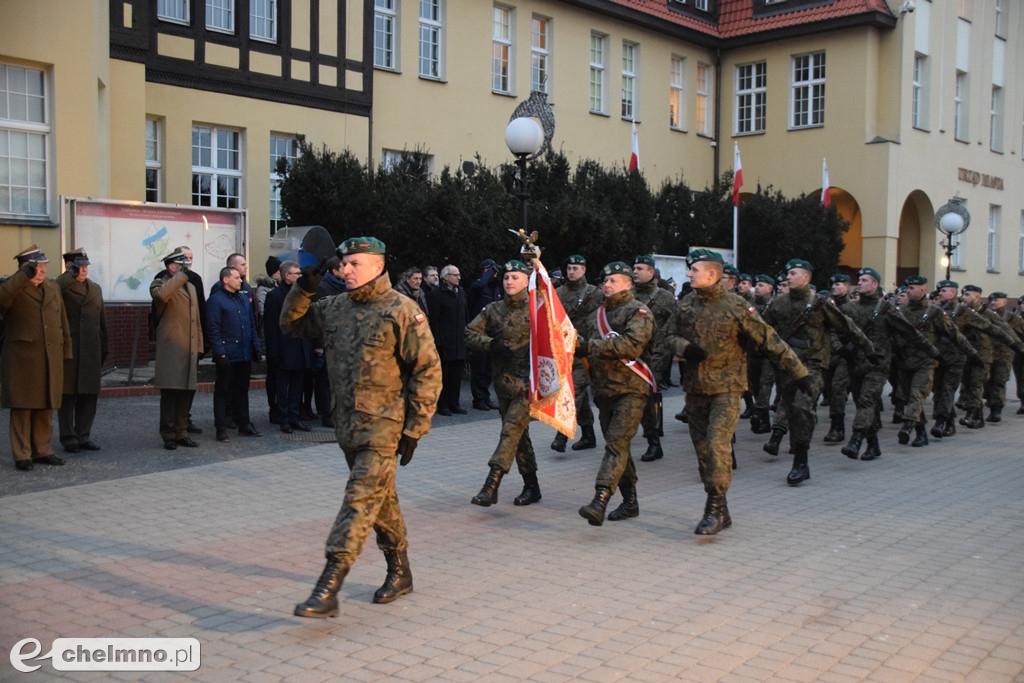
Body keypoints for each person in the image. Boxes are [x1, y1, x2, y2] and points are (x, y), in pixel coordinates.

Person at [283, 236, 441, 619]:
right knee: (379, 500)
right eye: (342, 264)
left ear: (378, 265)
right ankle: (400, 571)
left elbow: (427, 370)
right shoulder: (334, 307)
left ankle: (328, 585)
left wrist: (415, 428)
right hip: (347, 425)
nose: (346, 269)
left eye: (355, 263)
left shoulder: (401, 309)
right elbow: (291, 325)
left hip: (385, 427)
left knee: (358, 498)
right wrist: (304, 287)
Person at [665, 250, 809, 534]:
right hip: (695, 389)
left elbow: (769, 339)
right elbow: (668, 336)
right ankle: (722, 508)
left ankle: (714, 509)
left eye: (694, 269)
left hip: (728, 388)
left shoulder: (736, 306)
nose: (689, 274)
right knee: (703, 450)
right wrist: (684, 348)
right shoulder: (685, 306)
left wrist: (798, 371)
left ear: (711, 274)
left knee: (719, 445)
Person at [761, 259, 875, 485]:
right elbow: (760, 329)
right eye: (787, 273)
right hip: (786, 367)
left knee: (803, 408)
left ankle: (801, 462)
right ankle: (798, 451)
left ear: (806, 278)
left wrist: (868, 349)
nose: (788, 277)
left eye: (793, 273)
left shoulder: (820, 304)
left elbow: (847, 326)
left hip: (813, 366)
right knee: (792, 413)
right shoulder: (778, 304)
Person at [574, 261, 653, 526]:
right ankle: (630, 501)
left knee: (616, 443)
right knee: (618, 447)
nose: (606, 285)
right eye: (605, 281)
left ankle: (601, 498)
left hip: (631, 389)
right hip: (604, 390)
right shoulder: (595, 315)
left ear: (628, 284)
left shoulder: (638, 312)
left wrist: (590, 346)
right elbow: (580, 346)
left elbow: (631, 345)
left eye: (613, 281)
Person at [838, 268, 936, 460]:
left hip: (878, 364)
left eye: (865, 280)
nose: (860, 283)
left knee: (867, 400)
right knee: (865, 406)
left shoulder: (886, 309)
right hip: (855, 363)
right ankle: (873, 445)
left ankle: (856, 438)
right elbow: (835, 332)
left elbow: (909, 332)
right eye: (859, 280)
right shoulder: (849, 309)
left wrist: (933, 352)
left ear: (875, 285)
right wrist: (840, 348)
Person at [465, 260, 541, 508]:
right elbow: (469, 333)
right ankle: (532, 486)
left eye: (515, 277)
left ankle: (491, 484)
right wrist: (491, 344)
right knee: (518, 437)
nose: (509, 281)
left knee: (510, 431)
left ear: (526, 280)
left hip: (529, 386)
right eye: (506, 277)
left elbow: (562, 337)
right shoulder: (494, 309)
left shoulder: (539, 308)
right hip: (503, 386)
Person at [1, 246, 72, 471]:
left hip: (50, 356)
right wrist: (22, 277)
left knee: (46, 406)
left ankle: (42, 450)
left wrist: (66, 351)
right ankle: (22, 454)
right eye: (37, 267)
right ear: (26, 267)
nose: (42, 271)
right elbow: (2, 300)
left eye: (43, 267)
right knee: (23, 407)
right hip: (23, 358)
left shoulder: (52, 287)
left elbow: (62, 321)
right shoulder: (13, 286)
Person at [894, 276, 977, 446]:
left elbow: (954, 334)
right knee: (912, 397)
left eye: (912, 288)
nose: (907, 291)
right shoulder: (900, 311)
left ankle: (909, 424)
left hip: (928, 361)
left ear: (922, 290)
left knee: (919, 394)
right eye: (907, 288)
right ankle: (921, 433)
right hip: (905, 361)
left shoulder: (933, 312)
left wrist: (973, 354)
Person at [150, 247, 204, 450]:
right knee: (170, 394)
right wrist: (180, 276)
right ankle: (168, 434)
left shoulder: (189, 286)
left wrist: (199, 344)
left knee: (185, 393)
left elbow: (195, 319)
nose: (187, 268)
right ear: (172, 266)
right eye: (182, 264)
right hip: (171, 348)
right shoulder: (159, 283)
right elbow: (162, 296)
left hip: (188, 347)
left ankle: (182, 432)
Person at [57, 248, 108, 453]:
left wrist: (105, 346)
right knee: (67, 396)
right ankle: (68, 437)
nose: (85, 270)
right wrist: (69, 276)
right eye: (81, 266)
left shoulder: (94, 288)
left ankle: (83, 435)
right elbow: (55, 289)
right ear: (71, 266)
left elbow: (101, 320)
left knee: (88, 395)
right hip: (71, 349)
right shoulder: (61, 285)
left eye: (86, 266)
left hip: (90, 349)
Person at [552, 254, 603, 452]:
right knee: (578, 396)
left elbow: (601, 320)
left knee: (573, 392)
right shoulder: (557, 293)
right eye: (569, 268)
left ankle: (561, 435)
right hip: (562, 352)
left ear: (584, 270)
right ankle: (589, 435)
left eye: (576, 268)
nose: (572, 272)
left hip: (584, 353)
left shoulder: (595, 293)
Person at [207, 266, 263, 442]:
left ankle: (244, 424)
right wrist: (220, 353)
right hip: (227, 354)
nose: (241, 281)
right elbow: (213, 330)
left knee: (242, 390)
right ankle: (221, 427)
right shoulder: (216, 301)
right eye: (237, 278)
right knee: (223, 391)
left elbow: (251, 325)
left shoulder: (242, 299)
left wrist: (257, 348)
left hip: (244, 353)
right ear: (226, 280)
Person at [954, 285, 1020, 429]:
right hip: (969, 353)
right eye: (962, 295)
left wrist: (1018, 347)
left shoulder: (987, 313)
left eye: (967, 295)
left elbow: (1004, 330)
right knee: (972, 384)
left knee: (992, 382)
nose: (962, 297)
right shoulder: (960, 312)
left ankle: (990, 410)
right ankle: (977, 414)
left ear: (976, 297)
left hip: (990, 354)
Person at [631, 255, 676, 461]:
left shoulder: (665, 297)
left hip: (655, 357)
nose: (635, 272)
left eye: (640, 268)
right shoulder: (628, 294)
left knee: (648, 398)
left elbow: (675, 324)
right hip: (630, 356)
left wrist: (665, 348)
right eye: (634, 268)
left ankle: (654, 441)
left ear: (651, 273)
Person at [264, 261, 312, 433]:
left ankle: (294, 416)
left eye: (300, 273)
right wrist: (273, 352)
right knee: (282, 387)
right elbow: (270, 327)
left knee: (298, 386)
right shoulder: (275, 297)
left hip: (301, 348)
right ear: (287, 276)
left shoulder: (303, 295)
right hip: (284, 350)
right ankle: (283, 418)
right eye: (296, 273)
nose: (300, 276)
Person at [427, 264, 469, 415]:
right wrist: (438, 341)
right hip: (444, 341)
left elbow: (465, 315)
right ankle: (443, 404)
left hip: (459, 341)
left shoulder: (461, 292)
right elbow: (434, 320)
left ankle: (454, 403)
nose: (459, 277)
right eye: (455, 275)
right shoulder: (436, 295)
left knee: (456, 375)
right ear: (446, 277)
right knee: (443, 375)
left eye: (458, 275)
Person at [822, 273, 853, 443]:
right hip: (827, 353)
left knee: (837, 389)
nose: (835, 287)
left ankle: (837, 426)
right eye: (833, 284)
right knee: (827, 389)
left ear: (847, 287)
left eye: (839, 284)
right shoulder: (826, 305)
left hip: (844, 355)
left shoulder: (852, 307)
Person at [467, 259, 501, 411]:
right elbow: (478, 285)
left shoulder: (495, 289)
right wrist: (489, 273)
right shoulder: (479, 287)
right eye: (492, 270)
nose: (495, 274)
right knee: (479, 368)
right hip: (478, 333)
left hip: (491, 333)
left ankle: (485, 396)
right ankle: (478, 398)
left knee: (488, 368)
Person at [748, 274, 776, 434]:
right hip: (753, 352)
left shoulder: (774, 304)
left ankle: (759, 414)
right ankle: (764, 419)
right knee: (755, 385)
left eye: (761, 285)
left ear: (770, 288)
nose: (757, 288)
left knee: (765, 383)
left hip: (769, 352)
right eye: (756, 285)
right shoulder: (750, 304)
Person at [255, 255, 281, 425]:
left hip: (283, 337)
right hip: (271, 337)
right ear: (276, 272)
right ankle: (274, 408)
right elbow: (265, 313)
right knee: (273, 374)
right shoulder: (264, 289)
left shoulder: (283, 287)